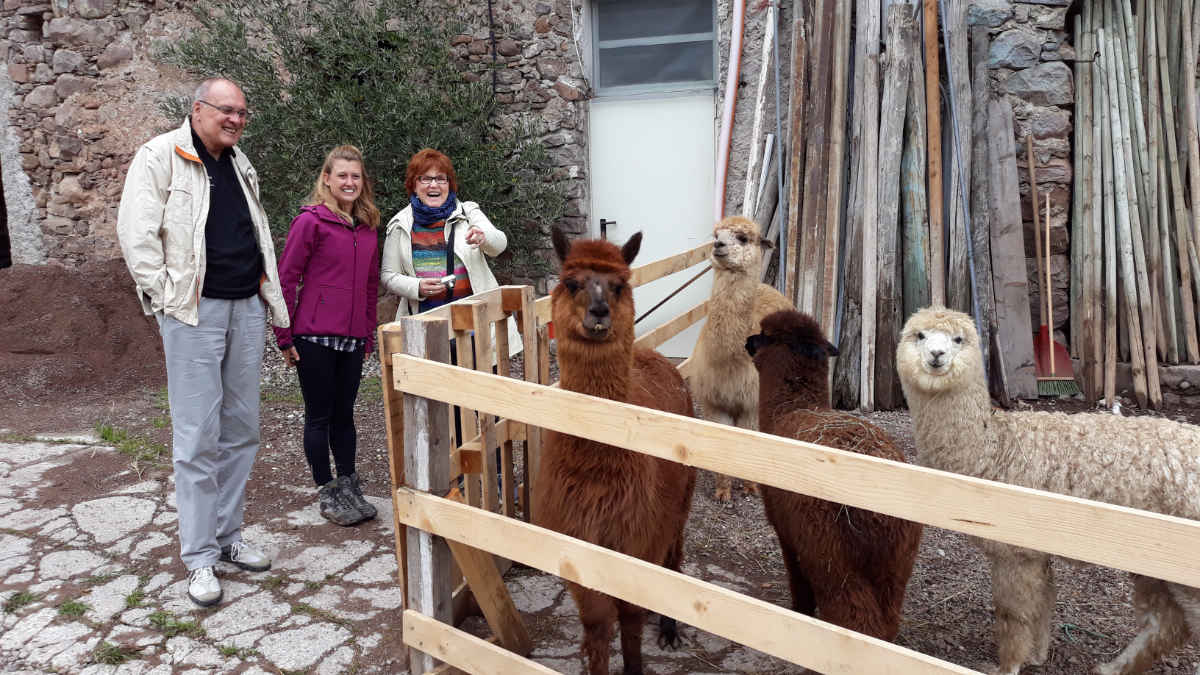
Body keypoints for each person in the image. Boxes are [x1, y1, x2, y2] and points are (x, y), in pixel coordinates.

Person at [117, 77, 286, 608]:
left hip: (245, 307)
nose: (235, 120)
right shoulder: (159, 156)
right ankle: (199, 559)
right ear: (197, 109)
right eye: (226, 111)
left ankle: (228, 538)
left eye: (242, 112)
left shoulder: (240, 162)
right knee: (196, 439)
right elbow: (136, 234)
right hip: (194, 312)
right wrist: (167, 295)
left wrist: (267, 298)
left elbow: (255, 231)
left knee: (242, 431)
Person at [273, 146, 380, 527]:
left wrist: (368, 334)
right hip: (313, 337)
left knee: (345, 415)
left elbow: (369, 286)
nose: (349, 182)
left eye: (356, 176)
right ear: (327, 179)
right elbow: (286, 278)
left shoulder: (367, 229)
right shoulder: (310, 222)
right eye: (342, 176)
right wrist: (284, 336)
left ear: (362, 182)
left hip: (351, 339)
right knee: (319, 415)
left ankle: (349, 482)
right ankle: (328, 488)